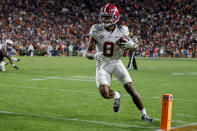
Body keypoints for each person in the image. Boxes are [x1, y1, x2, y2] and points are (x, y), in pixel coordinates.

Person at [86, 3, 153, 122]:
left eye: (108, 16)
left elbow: (135, 41)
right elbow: (89, 51)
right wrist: (93, 55)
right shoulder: (96, 29)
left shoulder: (123, 30)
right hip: (102, 65)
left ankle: (144, 114)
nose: (105, 19)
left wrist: (134, 45)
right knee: (104, 93)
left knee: (130, 87)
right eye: (104, 16)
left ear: (115, 17)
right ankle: (117, 95)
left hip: (116, 62)